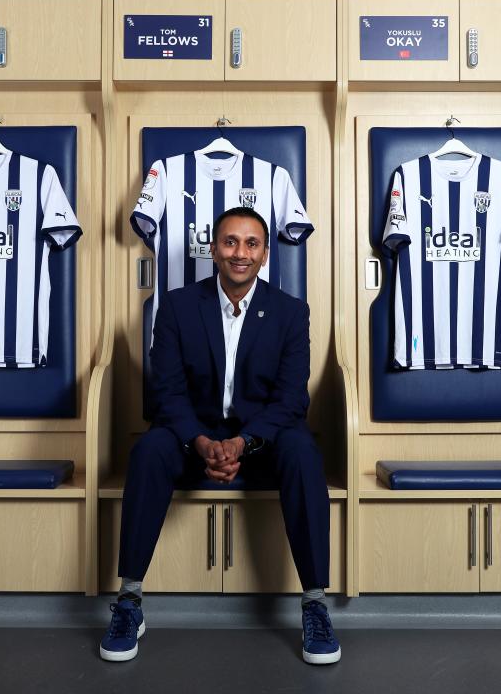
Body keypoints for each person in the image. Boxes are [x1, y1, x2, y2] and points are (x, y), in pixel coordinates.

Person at [100, 207, 339, 665]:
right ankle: (129, 600)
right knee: (148, 450)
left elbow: (291, 400)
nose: (240, 253)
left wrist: (243, 443)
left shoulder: (290, 313)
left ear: (266, 254)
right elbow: (165, 390)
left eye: (251, 244)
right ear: (214, 249)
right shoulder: (176, 305)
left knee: (304, 452)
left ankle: (314, 603)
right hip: (193, 438)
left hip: (262, 442)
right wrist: (202, 441)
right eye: (230, 242)